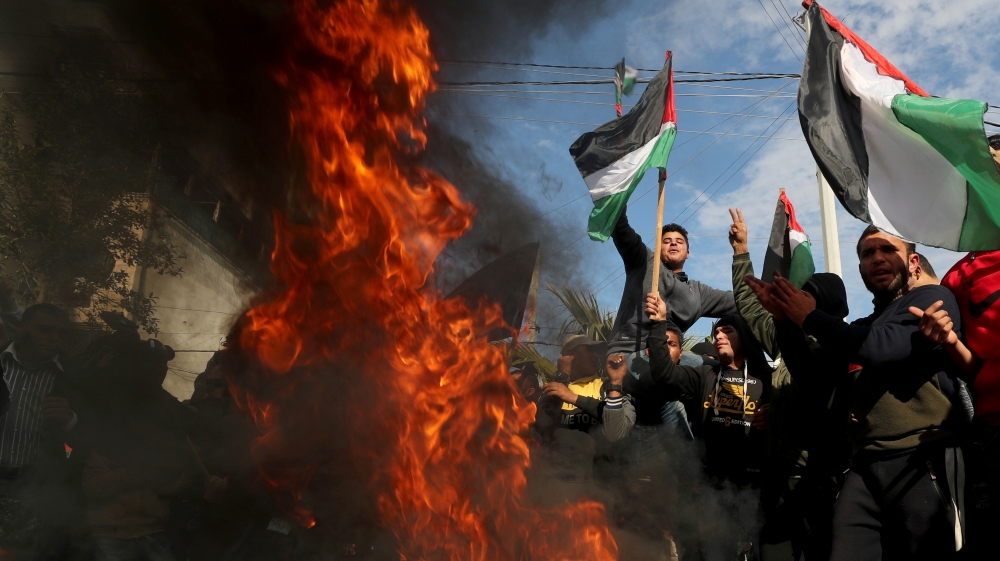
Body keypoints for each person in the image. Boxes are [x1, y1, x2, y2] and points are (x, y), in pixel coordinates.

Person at [745, 225, 968, 561]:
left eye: (887, 249)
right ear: (860, 268)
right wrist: (785, 321)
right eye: (867, 253)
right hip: (865, 467)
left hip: (922, 460)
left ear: (913, 262)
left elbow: (882, 348)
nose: (877, 257)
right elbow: (812, 373)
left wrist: (810, 317)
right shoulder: (863, 325)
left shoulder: (930, 301)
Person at [728, 207, 849, 561]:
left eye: (807, 296)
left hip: (819, 484)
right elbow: (751, 306)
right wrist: (740, 253)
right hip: (777, 479)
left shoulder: (841, 348)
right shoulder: (786, 335)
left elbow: (809, 375)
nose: (795, 300)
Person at [646, 294, 770, 561]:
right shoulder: (705, 375)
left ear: (745, 337)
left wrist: (777, 414)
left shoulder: (766, 377)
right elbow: (664, 372)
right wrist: (659, 324)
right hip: (711, 489)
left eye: (728, 330)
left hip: (754, 487)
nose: (719, 336)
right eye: (717, 332)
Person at [607, 210, 737, 438]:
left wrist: (742, 253)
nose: (673, 243)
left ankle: (700, 459)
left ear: (688, 252)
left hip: (671, 358)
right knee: (673, 393)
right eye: (666, 241)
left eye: (679, 241)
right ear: (658, 249)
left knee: (720, 373)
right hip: (631, 356)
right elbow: (622, 231)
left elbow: (741, 302)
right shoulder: (644, 262)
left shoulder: (697, 292)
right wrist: (619, 197)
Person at [0, 303, 82, 559]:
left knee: (21, 552)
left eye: (61, 333)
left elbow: (81, 448)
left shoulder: (74, 377)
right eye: (45, 330)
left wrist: (71, 421)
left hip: (36, 486)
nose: (54, 338)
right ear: (22, 328)